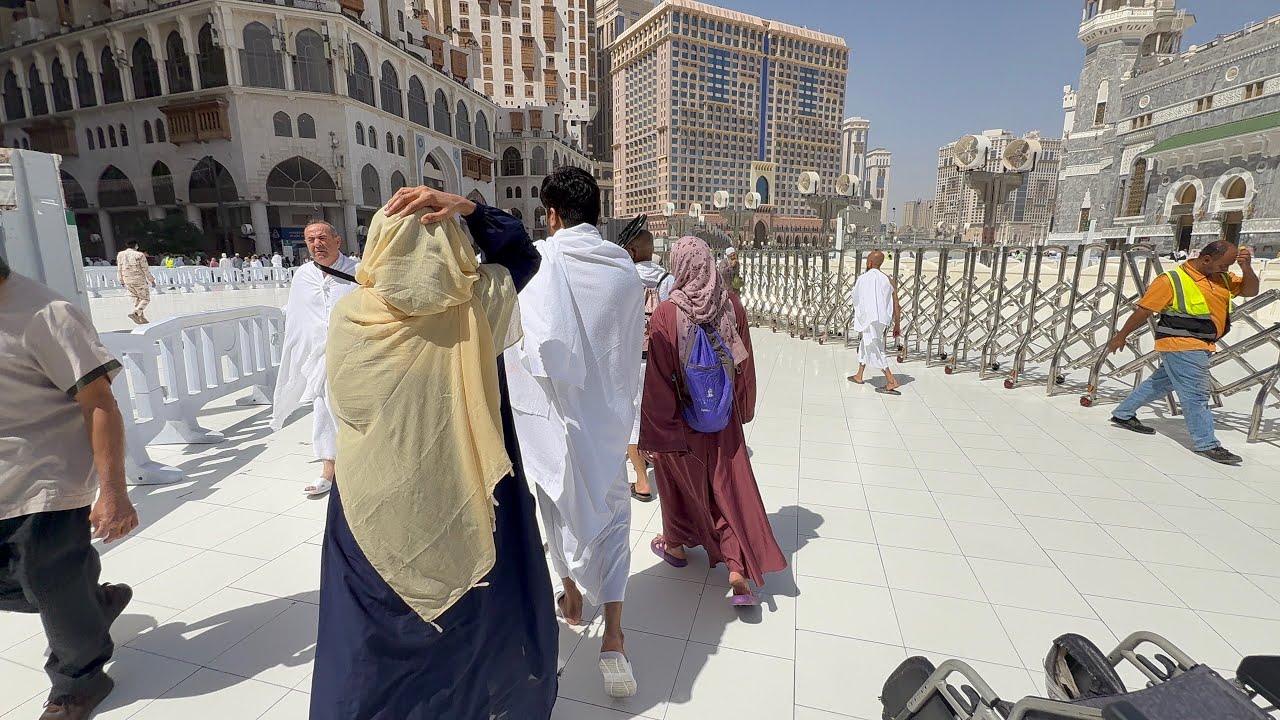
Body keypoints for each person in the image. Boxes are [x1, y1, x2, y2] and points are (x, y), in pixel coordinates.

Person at [311, 187, 556, 719]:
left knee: (372, 639)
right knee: (461, 632)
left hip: (372, 504)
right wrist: (469, 209)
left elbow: (346, 409)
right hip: (463, 497)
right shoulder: (480, 300)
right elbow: (522, 254)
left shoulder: (352, 314)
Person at [506, 167, 644, 698]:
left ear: (554, 214)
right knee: (613, 524)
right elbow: (627, 346)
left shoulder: (544, 263)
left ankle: (570, 595)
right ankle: (614, 636)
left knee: (557, 511)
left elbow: (531, 342)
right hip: (608, 425)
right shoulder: (624, 270)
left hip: (557, 426)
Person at [0, 256, 139, 720]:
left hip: (44, 481)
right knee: (46, 586)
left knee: (51, 585)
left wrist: (114, 491)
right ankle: (90, 600)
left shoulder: (45, 313)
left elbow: (99, 402)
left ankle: (78, 683)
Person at [640, 235, 786, 605]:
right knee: (728, 488)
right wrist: (741, 408)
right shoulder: (731, 305)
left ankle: (675, 545)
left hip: (683, 420)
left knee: (678, 483)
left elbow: (659, 378)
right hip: (723, 418)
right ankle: (736, 568)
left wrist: (657, 432)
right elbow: (744, 365)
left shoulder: (665, 314)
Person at [1106, 240, 1259, 465]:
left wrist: (1247, 269)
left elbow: (1250, 291)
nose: (1227, 270)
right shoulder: (1171, 280)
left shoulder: (1221, 277)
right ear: (1206, 259)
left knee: (1160, 383)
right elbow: (1144, 310)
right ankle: (1207, 443)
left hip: (1202, 343)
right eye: (1224, 265)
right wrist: (1121, 336)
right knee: (1196, 395)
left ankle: (1123, 413)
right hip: (1183, 343)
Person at [269, 221, 359, 496]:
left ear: (337, 241)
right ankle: (328, 472)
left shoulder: (358, 271)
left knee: (356, 413)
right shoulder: (303, 275)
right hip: (320, 358)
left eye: (322, 237)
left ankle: (361, 469)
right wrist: (298, 354)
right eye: (310, 240)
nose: (316, 244)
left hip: (355, 356)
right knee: (323, 412)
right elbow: (298, 320)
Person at [616, 215, 674, 503]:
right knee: (658, 414)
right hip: (662, 361)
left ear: (631, 252)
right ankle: (660, 466)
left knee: (633, 419)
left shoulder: (623, 279)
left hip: (632, 361)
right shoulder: (668, 280)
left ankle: (641, 481)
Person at [848, 250, 902, 394]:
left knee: (875, 348)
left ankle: (891, 380)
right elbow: (897, 304)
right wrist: (897, 324)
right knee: (865, 345)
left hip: (869, 319)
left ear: (870, 262)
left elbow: (855, 298)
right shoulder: (889, 280)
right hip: (882, 321)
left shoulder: (863, 278)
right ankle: (859, 375)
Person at [116, 240, 156, 324]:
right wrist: (151, 280)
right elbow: (145, 269)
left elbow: (119, 268)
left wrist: (121, 280)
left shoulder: (120, 254)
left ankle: (141, 318)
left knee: (136, 299)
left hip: (127, 279)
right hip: (138, 279)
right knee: (145, 298)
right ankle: (136, 313)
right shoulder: (139, 255)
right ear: (136, 245)